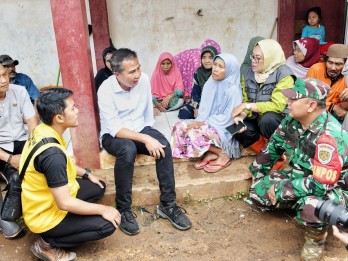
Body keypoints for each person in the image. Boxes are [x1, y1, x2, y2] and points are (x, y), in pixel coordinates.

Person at [249, 78, 348, 260]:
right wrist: (256, 173)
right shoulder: (292, 121)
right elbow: (273, 148)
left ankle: (315, 239)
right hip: (301, 178)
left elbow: (320, 185)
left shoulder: (330, 136)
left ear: (310, 105)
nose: (288, 102)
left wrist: (282, 189)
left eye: (293, 99)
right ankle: (298, 205)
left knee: (311, 205)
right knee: (258, 191)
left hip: (335, 190)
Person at [98, 48, 192, 236]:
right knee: (127, 149)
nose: (138, 75)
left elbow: (147, 116)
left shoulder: (144, 80)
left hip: (140, 127)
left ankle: (168, 205)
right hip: (113, 135)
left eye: (139, 68)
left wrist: (149, 135)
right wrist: (146, 138)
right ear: (117, 74)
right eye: (132, 72)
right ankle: (124, 209)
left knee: (163, 145)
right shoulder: (106, 90)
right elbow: (115, 128)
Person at [21, 88, 120, 261]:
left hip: (47, 199)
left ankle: (72, 222)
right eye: (72, 108)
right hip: (44, 215)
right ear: (59, 118)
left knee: (98, 186)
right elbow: (64, 202)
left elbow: (64, 163)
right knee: (107, 225)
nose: (77, 111)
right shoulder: (52, 155)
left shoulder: (42, 130)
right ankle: (47, 244)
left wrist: (87, 174)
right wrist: (103, 209)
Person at [172, 53, 242, 173]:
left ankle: (222, 153)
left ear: (229, 70)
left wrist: (203, 123)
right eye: (215, 64)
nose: (215, 69)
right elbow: (204, 110)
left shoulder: (233, 89)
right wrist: (199, 121)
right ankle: (211, 153)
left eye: (221, 66)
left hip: (224, 129)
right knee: (179, 127)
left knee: (192, 134)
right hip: (208, 122)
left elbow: (228, 119)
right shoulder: (211, 82)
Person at [232, 39, 295, 169]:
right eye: (252, 57)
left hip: (277, 120)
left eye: (258, 58)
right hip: (255, 118)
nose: (253, 61)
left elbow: (277, 106)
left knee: (268, 119)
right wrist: (241, 116)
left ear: (270, 58)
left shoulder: (284, 74)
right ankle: (269, 155)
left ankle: (276, 154)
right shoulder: (247, 72)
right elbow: (245, 99)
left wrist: (247, 106)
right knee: (236, 127)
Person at [0, 63, 38, 239]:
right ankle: (3, 217)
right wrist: (9, 159)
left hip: (22, 141)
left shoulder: (19, 91)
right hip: (1, 147)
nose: (3, 80)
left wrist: (30, 148)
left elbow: (31, 121)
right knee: (14, 170)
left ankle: (46, 207)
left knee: (44, 157)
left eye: (5, 75)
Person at [306, 44, 348, 126]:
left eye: (338, 64)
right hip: (313, 112)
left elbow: (344, 107)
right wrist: (333, 107)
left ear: (345, 65)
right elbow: (307, 98)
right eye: (330, 62)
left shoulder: (346, 78)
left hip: (335, 116)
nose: (333, 68)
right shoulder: (316, 70)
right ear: (325, 61)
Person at [178, 46, 218, 119]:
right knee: (183, 113)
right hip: (201, 102)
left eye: (210, 57)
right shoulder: (198, 72)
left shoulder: (218, 72)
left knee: (212, 115)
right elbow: (195, 93)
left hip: (214, 103)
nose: (207, 61)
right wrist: (196, 107)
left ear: (215, 58)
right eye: (204, 57)